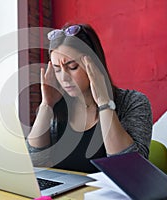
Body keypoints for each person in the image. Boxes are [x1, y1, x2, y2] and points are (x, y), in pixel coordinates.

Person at [26, 23, 153, 173]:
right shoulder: (59, 107)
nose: (64, 78)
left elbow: (129, 170)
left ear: (95, 64)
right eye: (57, 69)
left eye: (72, 67)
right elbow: (35, 163)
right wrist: (46, 105)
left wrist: (104, 103)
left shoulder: (134, 102)